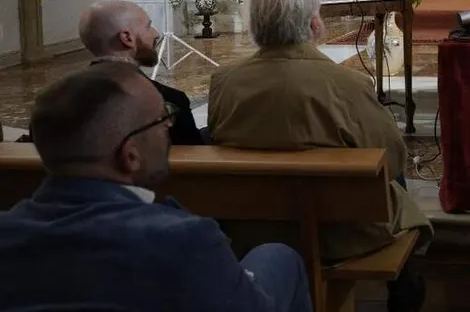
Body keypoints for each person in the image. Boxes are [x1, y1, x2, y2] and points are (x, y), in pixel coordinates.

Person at [0, 61, 310, 312]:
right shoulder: (183, 239)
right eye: (162, 118)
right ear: (130, 155)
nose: (169, 127)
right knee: (278, 257)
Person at [208, 0, 431, 309]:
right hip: (339, 233)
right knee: (392, 188)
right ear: (314, 25)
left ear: (255, 26)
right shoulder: (347, 84)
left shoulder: (224, 82)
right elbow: (393, 159)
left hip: (252, 231)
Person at [78, 0, 204, 146]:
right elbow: (193, 159)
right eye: (148, 26)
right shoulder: (167, 101)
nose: (156, 33)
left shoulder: (58, 99)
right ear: (127, 38)